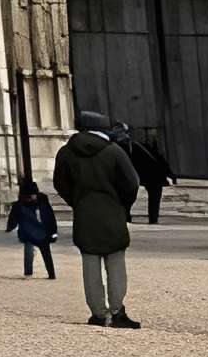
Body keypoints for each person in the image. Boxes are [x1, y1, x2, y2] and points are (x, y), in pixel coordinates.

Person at [52, 109, 143, 331]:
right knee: (115, 262)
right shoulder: (114, 152)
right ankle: (117, 311)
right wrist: (123, 205)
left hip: (84, 213)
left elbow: (59, 184)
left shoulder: (66, 153)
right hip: (112, 212)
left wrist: (77, 201)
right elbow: (132, 183)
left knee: (90, 264)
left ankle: (98, 313)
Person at [7, 178, 60, 279]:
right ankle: (50, 273)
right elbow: (50, 218)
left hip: (31, 233)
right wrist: (53, 232)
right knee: (44, 253)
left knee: (31, 252)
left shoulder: (21, 204)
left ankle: (30, 273)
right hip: (41, 233)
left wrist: (10, 227)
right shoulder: (42, 203)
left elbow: (13, 218)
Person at [130, 128, 173, 227]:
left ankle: (127, 215)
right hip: (154, 172)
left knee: (131, 192)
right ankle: (153, 218)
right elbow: (162, 158)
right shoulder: (157, 142)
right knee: (155, 196)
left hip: (141, 169)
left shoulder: (135, 141)